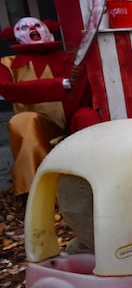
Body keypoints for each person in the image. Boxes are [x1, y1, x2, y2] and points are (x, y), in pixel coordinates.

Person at [0, 17, 100, 196]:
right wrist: (59, 84)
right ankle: (37, 192)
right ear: (14, 35)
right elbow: (8, 89)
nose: (32, 28)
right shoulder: (6, 64)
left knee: (88, 116)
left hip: (70, 122)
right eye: (24, 27)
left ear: (49, 29)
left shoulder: (70, 58)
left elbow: (86, 89)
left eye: (37, 25)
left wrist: (79, 76)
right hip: (38, 128)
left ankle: (99, 178)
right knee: (23, 121)